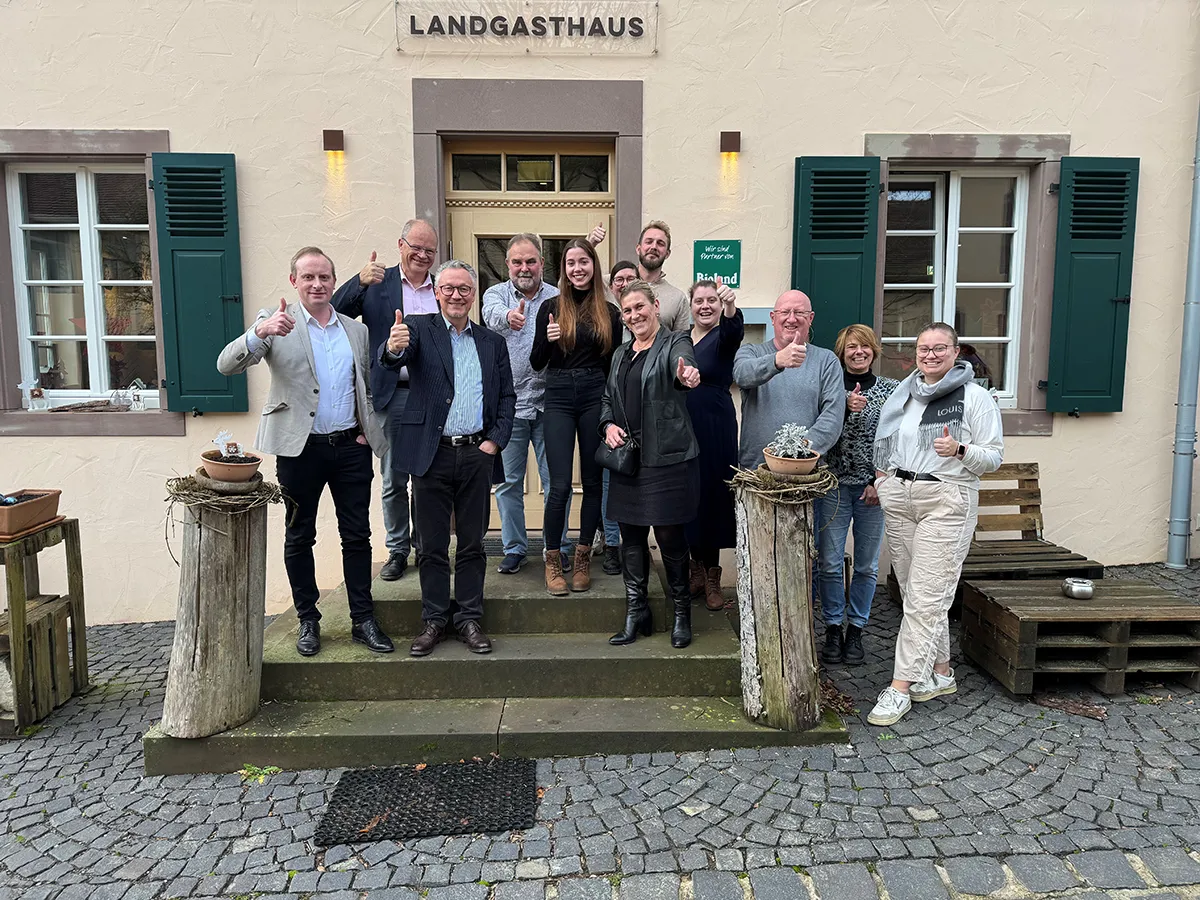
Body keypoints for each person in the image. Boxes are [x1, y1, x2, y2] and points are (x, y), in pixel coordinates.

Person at [216, 247, 393, 657]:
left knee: (358, 536)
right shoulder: (277, 323)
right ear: (294, 281)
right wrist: (258, 332)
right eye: (308, 277)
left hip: (350, 448)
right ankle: (308, 619)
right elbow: (226, 365)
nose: (317, 284)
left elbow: (365, 387)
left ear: (334, 281)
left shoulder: (356, 331)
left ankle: (362, 619)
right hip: (300, 450)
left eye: (324, 277)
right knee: (300, 536)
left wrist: (366, 431)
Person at [867, 322, 1003, 726]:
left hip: (946, 499)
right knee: (917, 591)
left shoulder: (975, 397)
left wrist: (960, 449)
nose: (930, 355)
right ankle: (941, 671)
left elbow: (993, 457)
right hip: (901, 496)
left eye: (939, 348)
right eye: (924, 348)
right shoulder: (904, 393)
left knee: (925, 597)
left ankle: (900, 687)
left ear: (956, 352)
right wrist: (884, 480)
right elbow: (888, 442)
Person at [379, 260, 516, 657]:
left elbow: (507, 397)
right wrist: (392, 347)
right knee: (432, 546)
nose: (457, 295)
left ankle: (469, 618)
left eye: (464, 289)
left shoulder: (493, 342)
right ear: (437, 293)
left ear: (474, 295)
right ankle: (435, 620)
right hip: (431, 453)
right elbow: (393, 359)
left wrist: (495, 441)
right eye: (449, 288)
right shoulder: (419, 329)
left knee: (473, 543)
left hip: (476, 454)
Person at [332, 218, 440, 581]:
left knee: (427, 476)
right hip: (392, 393)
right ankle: (397, 550)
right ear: (400, 244)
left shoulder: (442, 287)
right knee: (394, 478)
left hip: (432, 395)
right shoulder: (378, 282)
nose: (422, 255)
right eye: (416, 247)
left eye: (429, 250)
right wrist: (358, 281)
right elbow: (334, 312)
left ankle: (426, 546)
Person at [601, 282, 703, 648]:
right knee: (630, 538)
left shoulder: (676, 342)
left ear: (655, 306)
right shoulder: (620, 353)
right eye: (627, 311)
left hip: (666, 459)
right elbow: (608, 398)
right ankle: (636, 612)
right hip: (628, 460)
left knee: (669, 537)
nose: (634, 316)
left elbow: (684, 368)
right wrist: (607, 425)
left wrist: (686, 376)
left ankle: (681, 614)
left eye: (639, 307)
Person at [530, 238, 623, 595]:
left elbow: (612, 367)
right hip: (558, 395)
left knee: (594, 482)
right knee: (559, 485)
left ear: (593, 266)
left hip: (594, 394)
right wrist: (549, 339)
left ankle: (583, 556)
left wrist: (612, 411)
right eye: (571, 263)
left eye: (583, 261)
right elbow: (537, 362)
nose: (577, 268)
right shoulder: (551, 308)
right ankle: (553, 559)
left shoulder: (609, 312)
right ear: (564, 269)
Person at [481, 233, 572, 575]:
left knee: (557, 483)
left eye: (531, 261)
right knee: (509, 483)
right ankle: (515, 548)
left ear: (541, 264)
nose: (524, 268)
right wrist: (509, 317)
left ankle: (557, 547)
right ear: (508, 264)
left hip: (552, 405)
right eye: (517, 262)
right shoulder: (496, 295)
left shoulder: (558, 298)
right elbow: (491, 315)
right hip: (510, 407)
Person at [817, 325, 900, 666]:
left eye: (864, 346)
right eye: (851, 347)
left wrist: (879, 480)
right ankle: (833, 627)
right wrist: (843, 408)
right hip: (833, 487)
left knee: (866, 566)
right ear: (842, 352)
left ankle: (856, 629)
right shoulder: (830, 389)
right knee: (829, 563)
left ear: (873, 351)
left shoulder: (891, 390)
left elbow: (896, 440)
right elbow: (819, 433)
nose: (858, 352)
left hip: (872, 491)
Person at [732, 290, 845, 470]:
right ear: (773, 317)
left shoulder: (826, 361)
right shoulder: (751, 352)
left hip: (806, 473)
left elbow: (833, 417)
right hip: (756, 470)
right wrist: (776, 361)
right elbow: (741, 375)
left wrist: (797, 453)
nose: (791, 319)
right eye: (784, 312)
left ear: (810, 318)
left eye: (799, 312)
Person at [683, 278, 744, 611]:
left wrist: (731, 306)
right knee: (689, 497)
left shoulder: (723, 336)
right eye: (699, 301)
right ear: (690, 305)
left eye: (711, 301)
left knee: (712, 496)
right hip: (683, 425)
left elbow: (734, 331)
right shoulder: (681, 338)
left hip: (715, 424)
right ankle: (695, 570)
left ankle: (712, 577)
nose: (705, 306)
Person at [596, 259, 641, 575]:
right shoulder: (608, 318)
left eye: (630, 278)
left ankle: (634, 546)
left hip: (642, 414)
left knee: (640, 482)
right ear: (611, 286)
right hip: (612, 409)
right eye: (618, 279)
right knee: (609, 480)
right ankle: (612, 544)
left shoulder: (650, 324)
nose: (624, 283)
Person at [634, 221, 691, 331]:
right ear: (638, 249)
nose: (654, 247)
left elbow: (681, 339)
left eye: (660, 243)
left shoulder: (677, 298)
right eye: (649, 242)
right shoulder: (614, 284)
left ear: (667, 254)